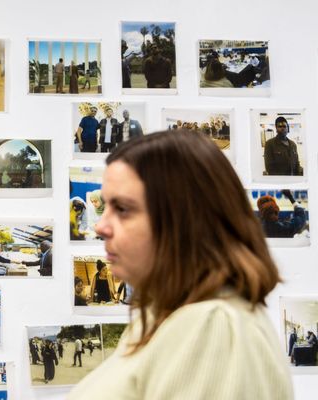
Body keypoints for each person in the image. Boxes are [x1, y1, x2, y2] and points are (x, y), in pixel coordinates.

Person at [68, 129, 293, 399]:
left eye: (124, 209)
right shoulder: (168, 314)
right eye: (107, 207)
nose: (102, 226)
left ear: (184, 219)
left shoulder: (212, 327)